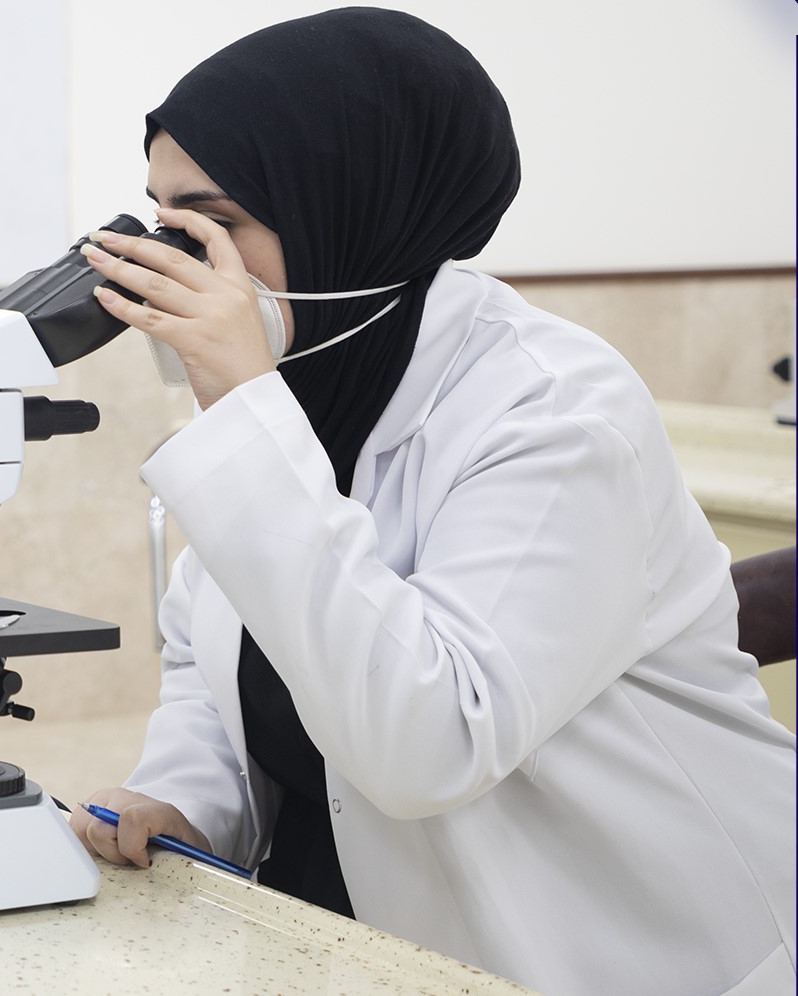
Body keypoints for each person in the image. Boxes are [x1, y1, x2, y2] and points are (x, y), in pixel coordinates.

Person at [66, 9, 795, 995]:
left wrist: (241, 409)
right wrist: (186, 802)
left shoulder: (554, 412)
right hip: (370, 939)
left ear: (345, 206)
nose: (179, 259)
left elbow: (427, 746)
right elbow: (221, 654)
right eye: (164, 220)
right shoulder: (302, 392)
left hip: (640, 954)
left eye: (214, 223)